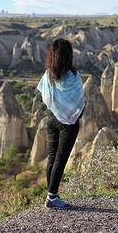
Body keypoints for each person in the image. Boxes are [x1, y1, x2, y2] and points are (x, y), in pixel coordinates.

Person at [37, 38, 85, 209]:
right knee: (61, 158)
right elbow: (79, 102)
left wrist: (58, 108)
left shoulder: (49, 74)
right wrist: (73, 116)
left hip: (52, 119)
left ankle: (51, 194)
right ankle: (52, 197)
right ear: (68, 55)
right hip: (69, 123)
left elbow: (45, 97)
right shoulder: (74, 75)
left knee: (52, 156)